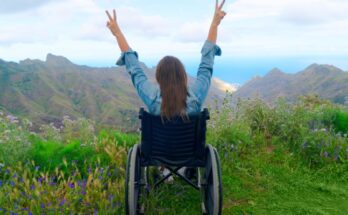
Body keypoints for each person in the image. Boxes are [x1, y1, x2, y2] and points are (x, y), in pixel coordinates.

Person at [106, 1, 226, 180]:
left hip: (158, 154)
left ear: (159, 77)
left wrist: (117, 33)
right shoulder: (196, 97)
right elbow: (206, 65)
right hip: (189, 154)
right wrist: (215, 24)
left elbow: (134, 69)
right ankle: (184, 168)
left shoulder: (152, 98)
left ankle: (165, 170)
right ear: (183, 76)